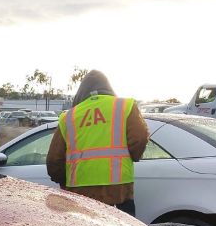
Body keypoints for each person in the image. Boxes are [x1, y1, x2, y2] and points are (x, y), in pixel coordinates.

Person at [46, 70, 148, 216]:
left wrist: (65, 182)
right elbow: (139, 139)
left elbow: (54, 160)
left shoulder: (69, 117)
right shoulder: (125, 106)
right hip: (118, 193)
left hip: (79, 195)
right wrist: (130, 158)